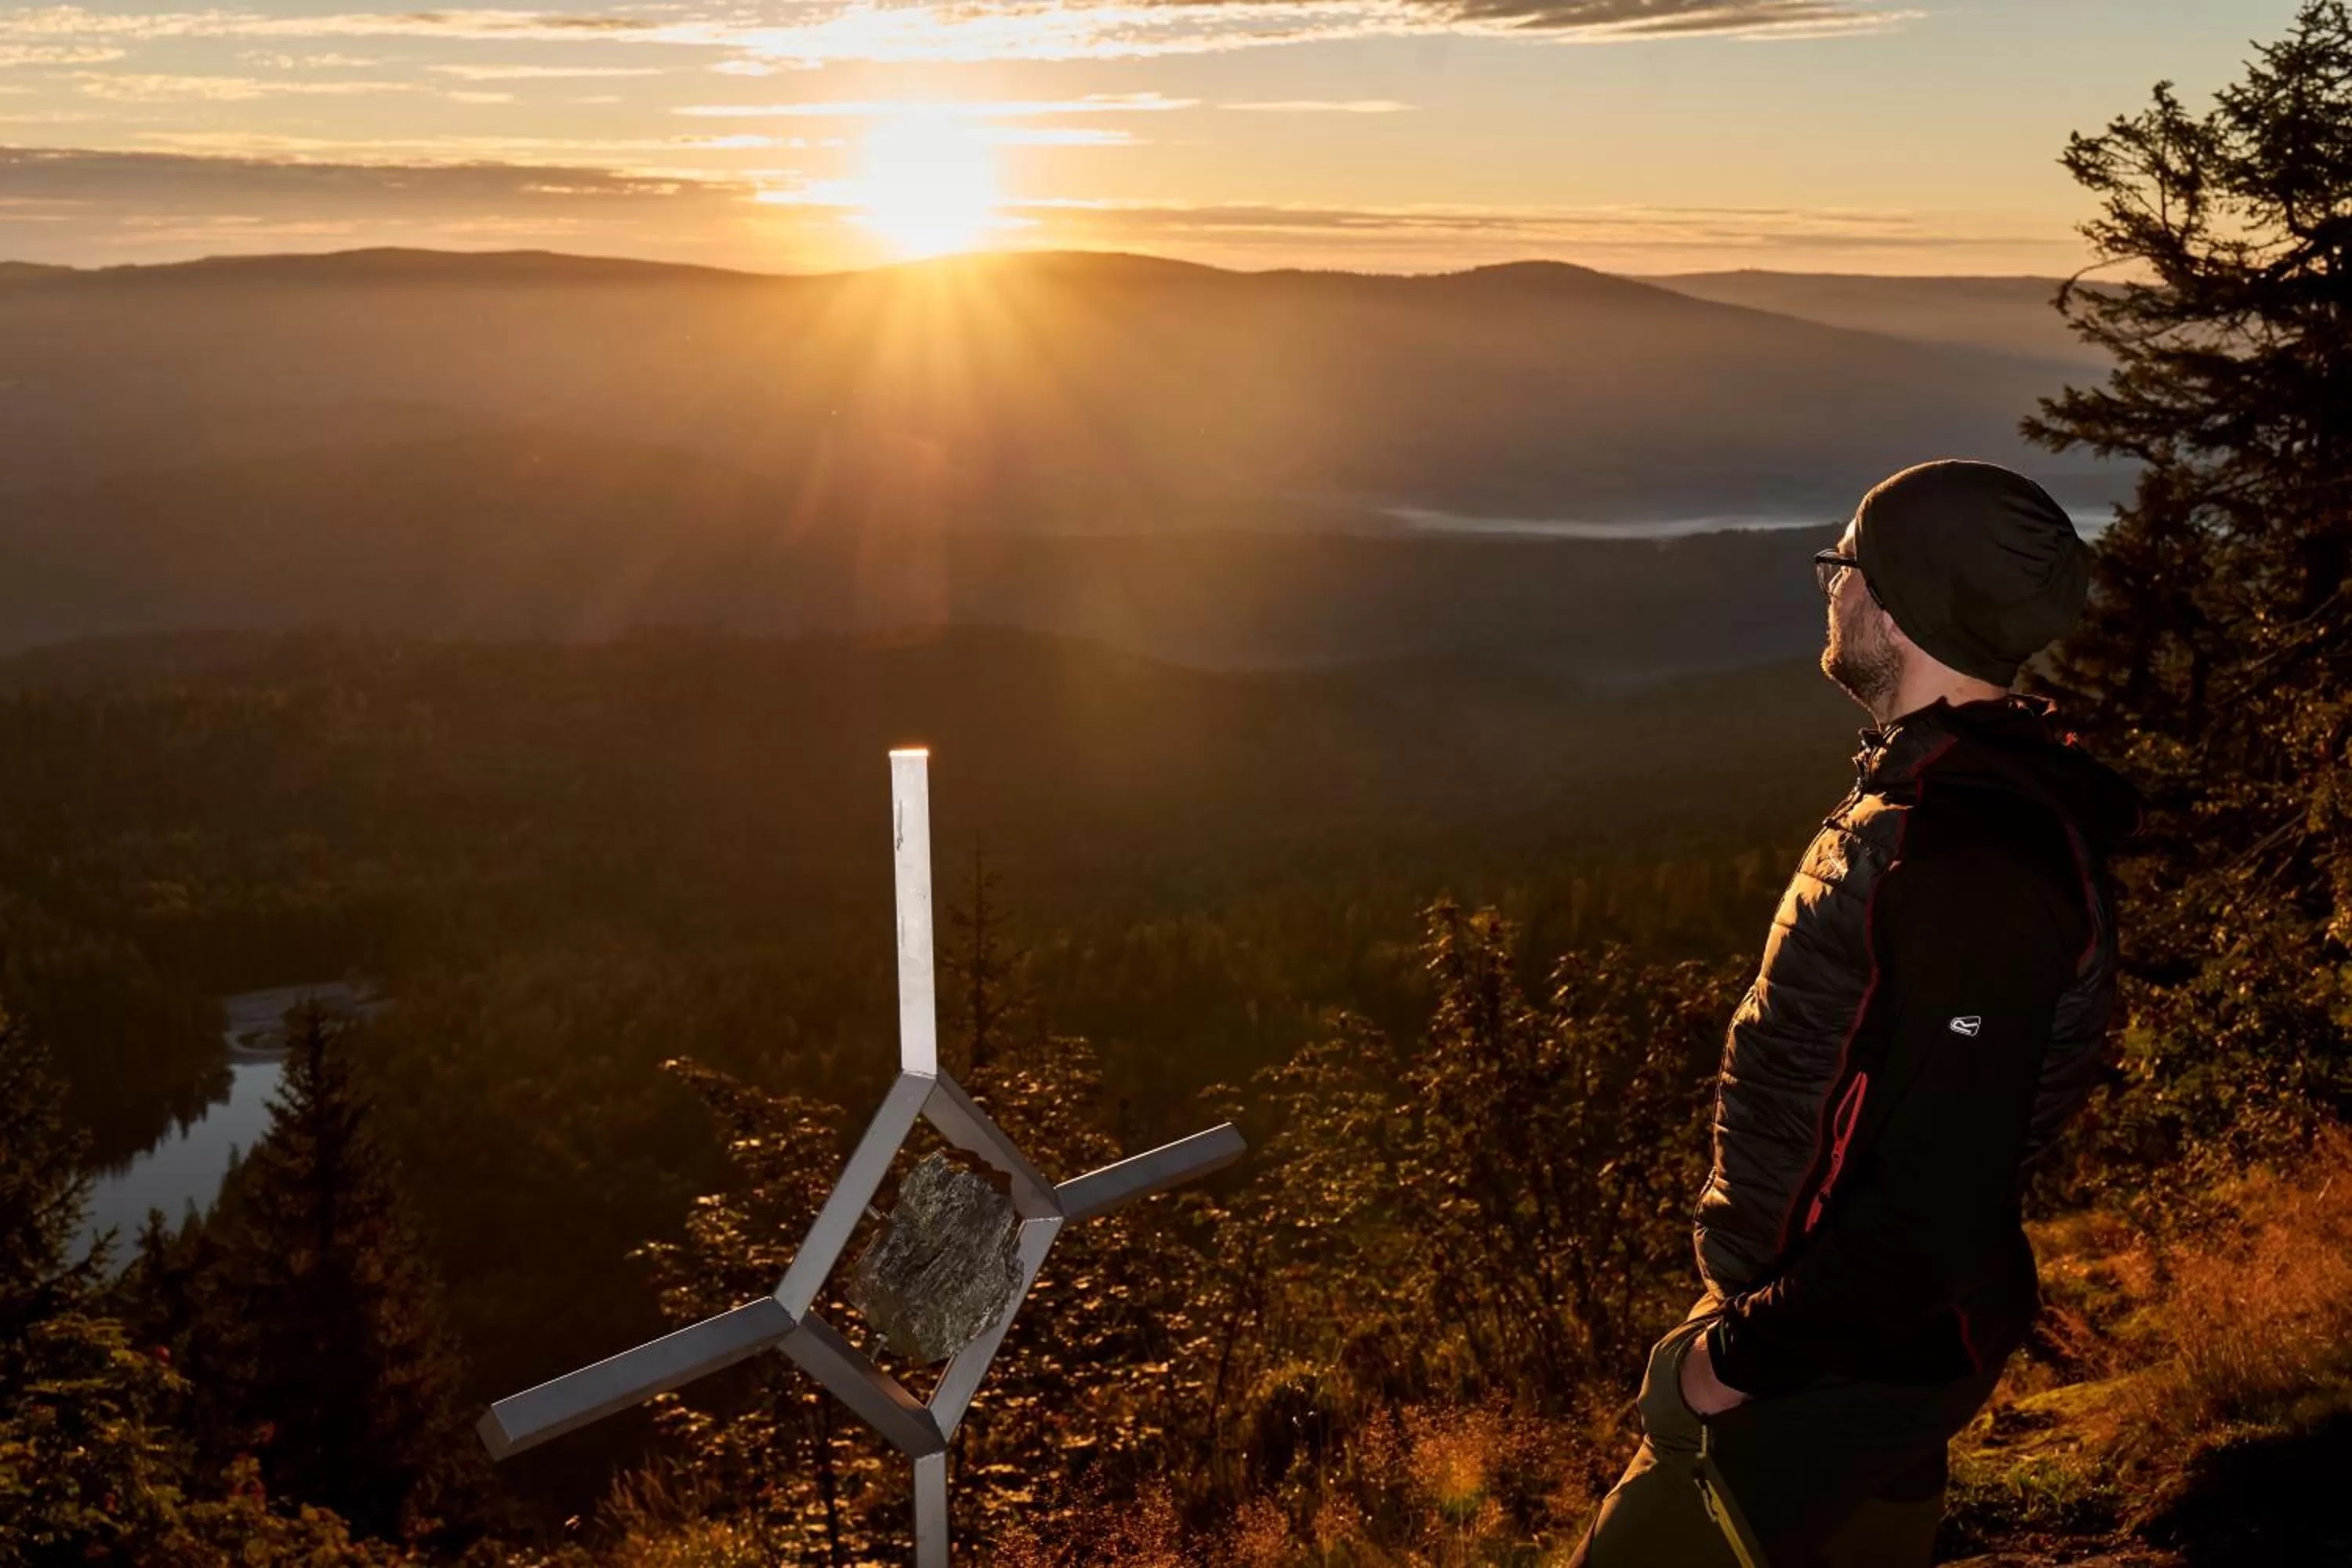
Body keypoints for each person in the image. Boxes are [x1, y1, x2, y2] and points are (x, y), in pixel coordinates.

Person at [1570, 459, 2141, 1567]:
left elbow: (1934, 1197)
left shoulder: (1970, 859)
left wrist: (1730, 1359)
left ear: (1896, 605)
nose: (1829, 584)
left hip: (1841, 1356)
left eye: (1846, 565)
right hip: (1866, 1336)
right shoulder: (1928, 803)